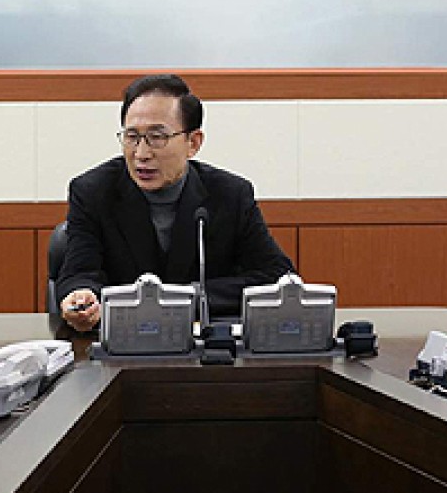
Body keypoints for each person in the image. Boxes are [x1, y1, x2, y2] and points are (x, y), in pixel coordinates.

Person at [57, 74, 293, 332]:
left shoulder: (230, 194)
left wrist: (187, 297)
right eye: (132, 136)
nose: (141, 154)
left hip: (203, 352)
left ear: (193, 143)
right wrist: (82, 298)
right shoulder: (93, 191)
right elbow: (78, 275)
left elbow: (277, 278)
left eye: (157, 137)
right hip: (122, 345)